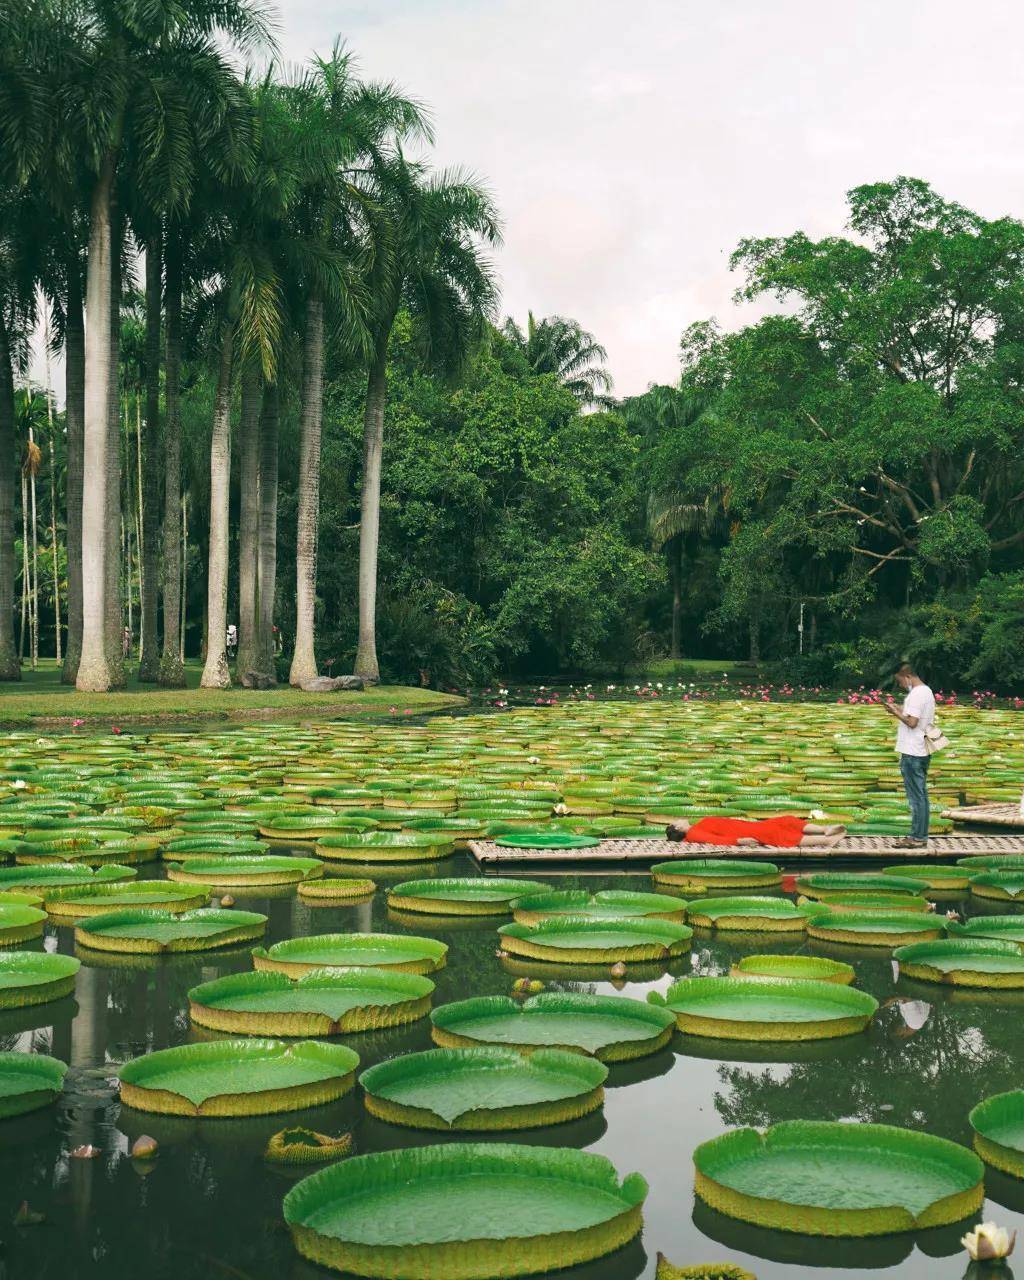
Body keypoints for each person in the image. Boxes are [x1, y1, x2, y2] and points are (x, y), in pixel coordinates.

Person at [883, 662, 936, 848]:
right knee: (921, 795)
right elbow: (918, 720)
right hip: (922, 750)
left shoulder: (916, 694)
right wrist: (899, 710)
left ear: (906, 676)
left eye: (900, 682)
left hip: (912, 752)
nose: (900, 686)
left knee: (916, 797)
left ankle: (918, 837)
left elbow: (912, 722)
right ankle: (919, 835)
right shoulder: (927, 692)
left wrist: (895, 712)